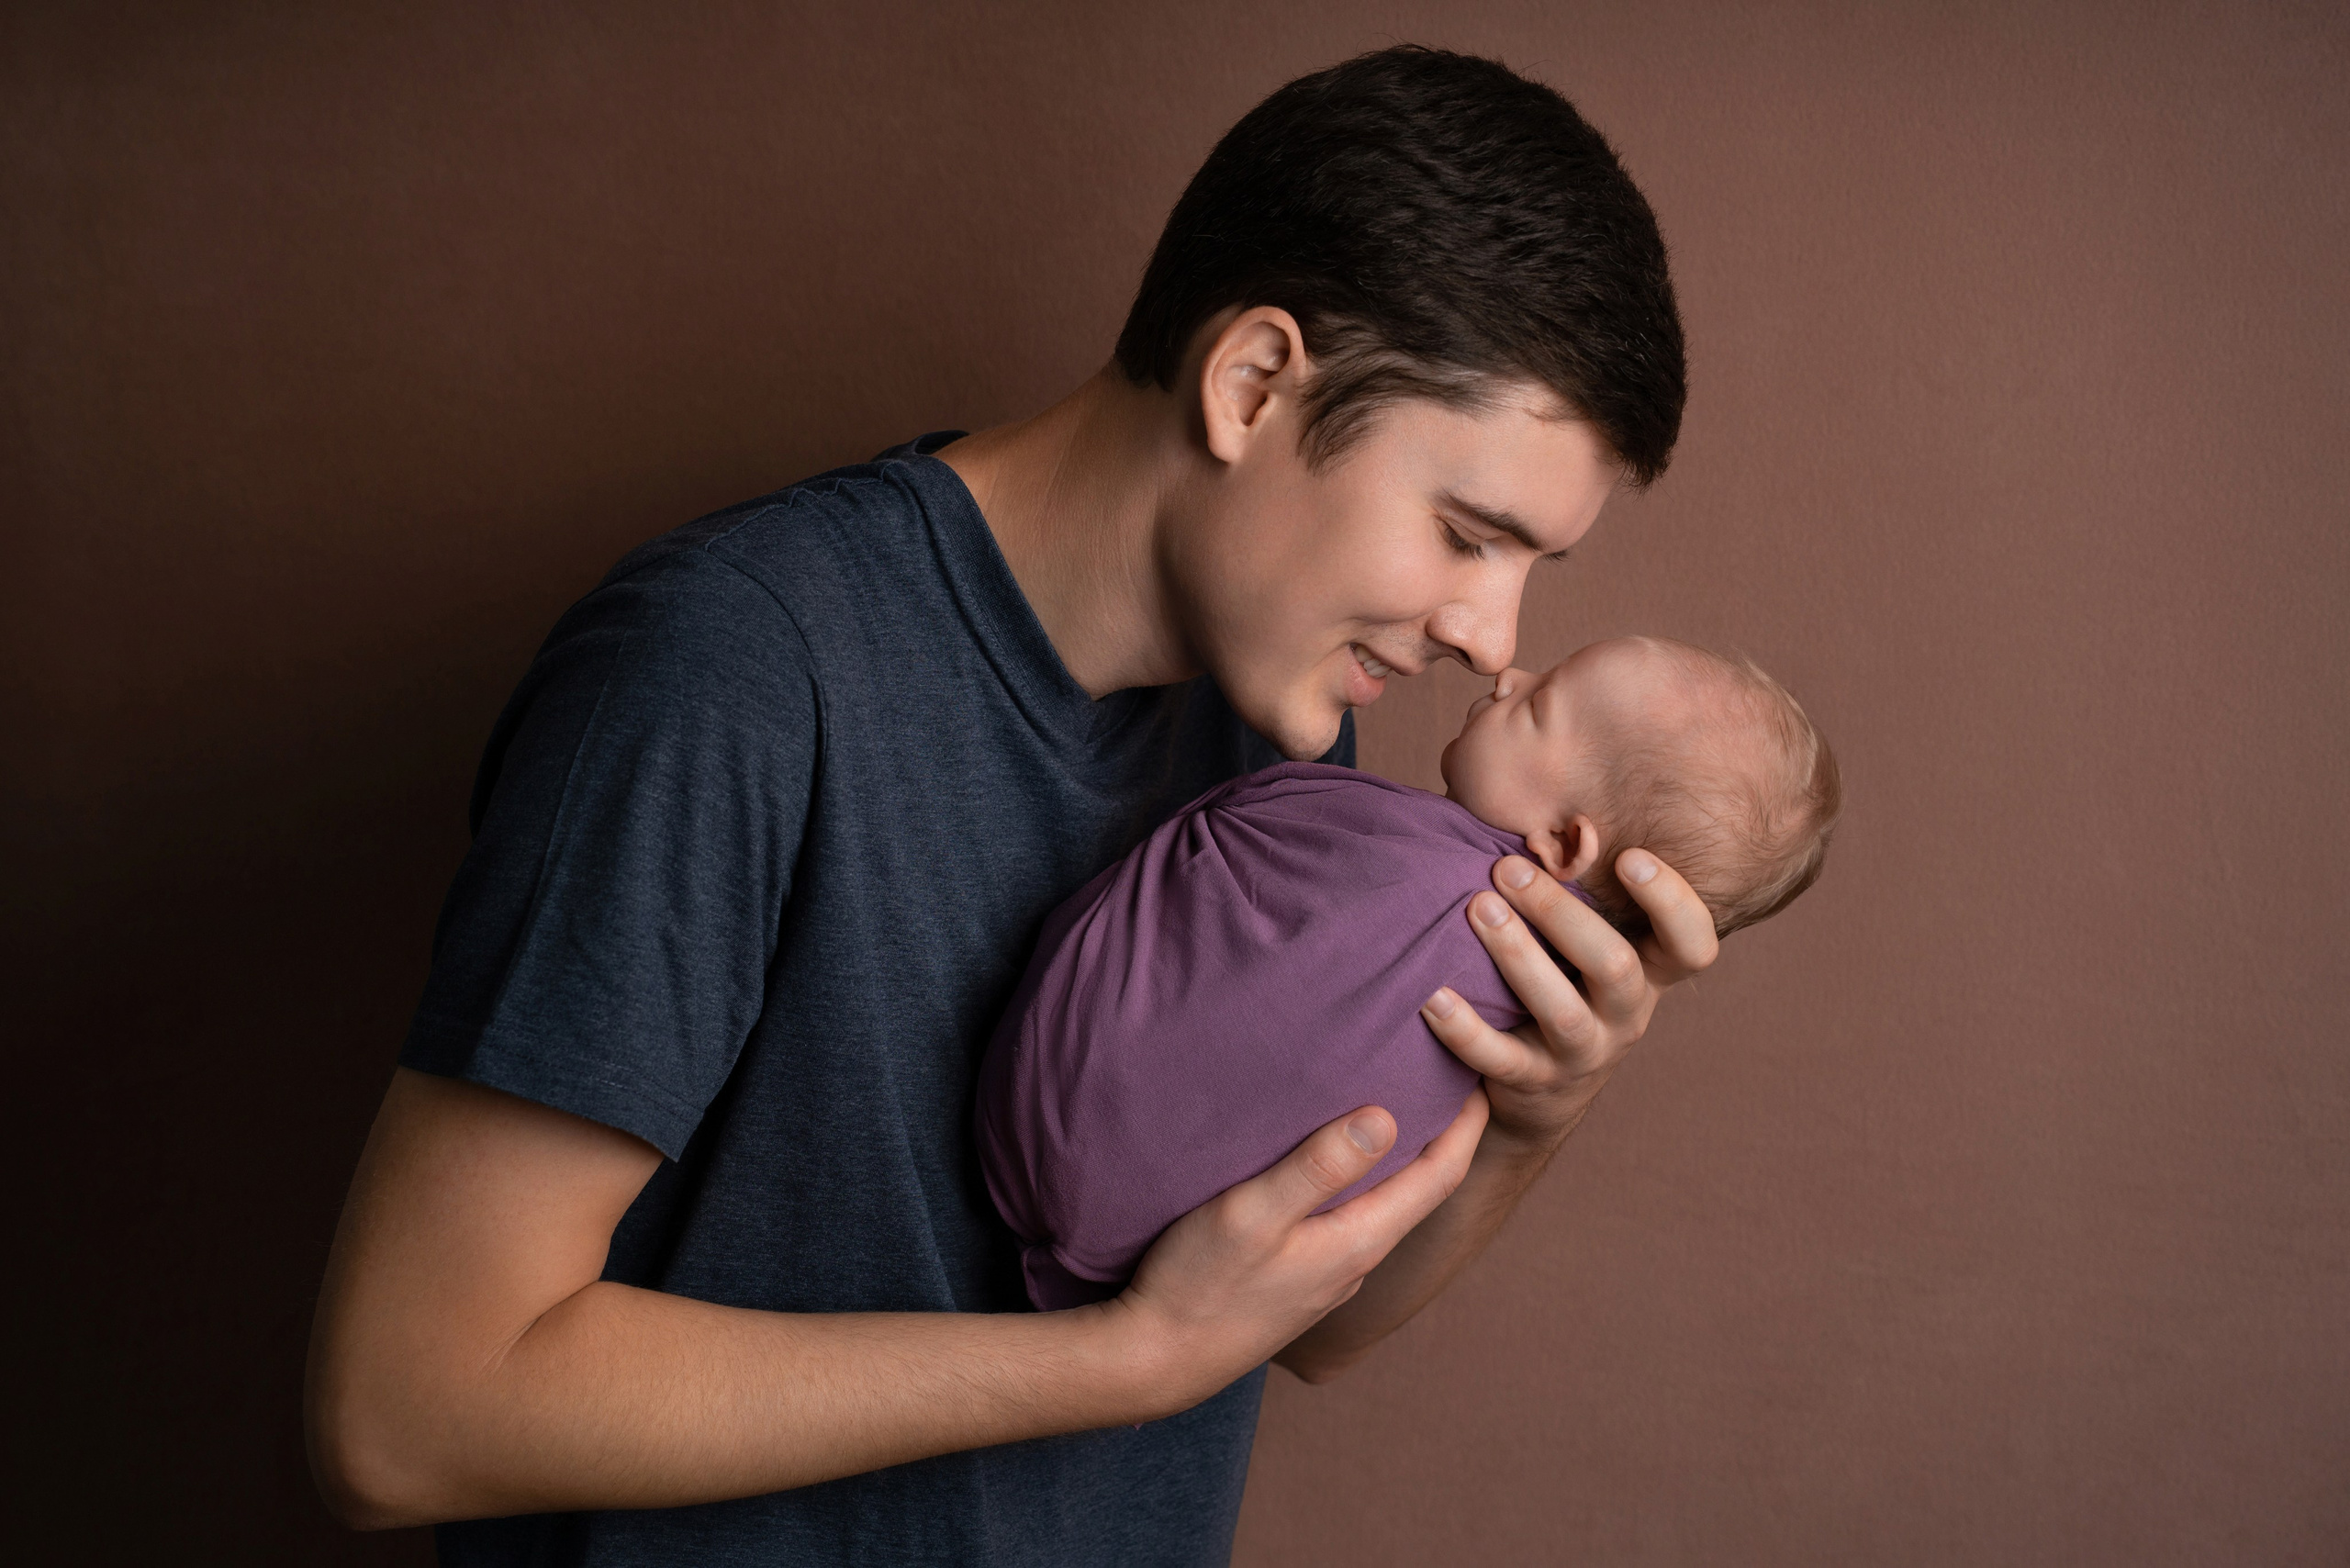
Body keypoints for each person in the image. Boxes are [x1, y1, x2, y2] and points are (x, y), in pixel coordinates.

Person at [305, 44, 1723, 1567]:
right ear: (1252, 383)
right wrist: (1114, 1367)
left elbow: (1300, 1316)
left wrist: (1528, 1113)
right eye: (1464, 533)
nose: (1492, 639)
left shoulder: (1290, 746)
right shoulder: (730, 672)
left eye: (1530, 569)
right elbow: (407, 1410)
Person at [979, 636, 1841, 1310]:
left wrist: (1537, 1125)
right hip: (1127, 1264)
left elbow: (1243, 822)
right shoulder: (1512, 1022)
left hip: (1026, 1123)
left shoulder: (1383, 839)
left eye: (1540, 703)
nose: (1505, 674)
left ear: (1565, 844)